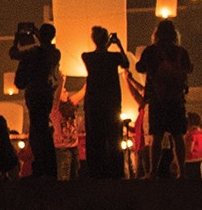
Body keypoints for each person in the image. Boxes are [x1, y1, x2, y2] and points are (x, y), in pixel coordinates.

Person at [134, 19, 193, 178]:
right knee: (177, 136)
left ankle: (153, 171)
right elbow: (189, 68)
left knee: (157, 137)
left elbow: (139, 68)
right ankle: (182, 171)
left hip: (157, 100)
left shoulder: (151, 51)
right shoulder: (181, 52)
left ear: (156, 34)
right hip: (176, 100)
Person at [10, 22, 62, 179]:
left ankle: (40, 167)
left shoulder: (34, 53)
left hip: (35, 93)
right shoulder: (55, 53)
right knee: (44, 130)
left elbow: (13, 54)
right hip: (46, 93)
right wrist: (37, 32)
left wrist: (16, 39)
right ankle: (50, 168)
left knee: (36, 132)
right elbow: (46, 45)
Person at [81, 26, 130, 180]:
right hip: (112, 102)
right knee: (114, 137)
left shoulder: (87, 57)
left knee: (95, 138)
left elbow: (100, 54)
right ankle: (116, 171)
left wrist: (106, 44)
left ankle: (96, 171)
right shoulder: (114, 57)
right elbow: (126, 63)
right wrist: (118, 44)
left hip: (94, 103)